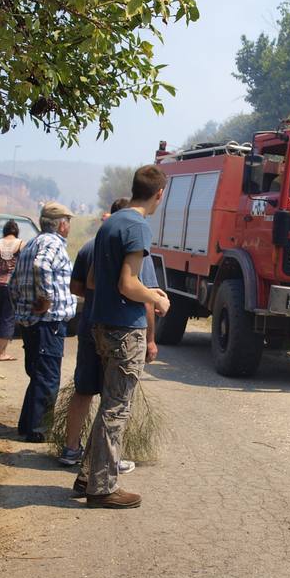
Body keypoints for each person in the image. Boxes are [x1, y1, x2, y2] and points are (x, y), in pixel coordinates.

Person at [78, 165, 169, 509]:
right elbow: (127, 284)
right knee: (116, 410)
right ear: (159, 193)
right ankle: (102, 488)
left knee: (107, 406)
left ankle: (88, 475)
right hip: (124, 330)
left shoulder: (111, 224)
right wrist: (157, 298)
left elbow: (102, 280)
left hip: (101, 324)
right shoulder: (137, 227)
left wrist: (148, 290)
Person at [61, 197, 158, 470]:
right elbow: (145, 297)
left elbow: (79, 285)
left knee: (83, 389)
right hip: (120, 329)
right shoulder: (134, 244)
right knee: (113, 401)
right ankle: (104, 465)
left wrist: (99, 295)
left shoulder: (92, 245)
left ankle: (71, 451)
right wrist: (150, 339)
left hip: (92, 324)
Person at [10, 203, 76, 441]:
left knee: (39, 374)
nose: (69, 226)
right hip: (49, 321)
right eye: (68, 221)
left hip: (34, 321)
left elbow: (13, 283)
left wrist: (23, 306)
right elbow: (42, 265)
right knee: (48, 377)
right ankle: (39, 430)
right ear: (61, 224)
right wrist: (46, 299)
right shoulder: (52, 243)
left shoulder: (32, 244)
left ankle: (27, 425)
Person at [0, 220, 24, 361]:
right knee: (8, 317)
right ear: (16, 231)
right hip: (12, 285)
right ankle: (2, 353)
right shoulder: (21, 244)